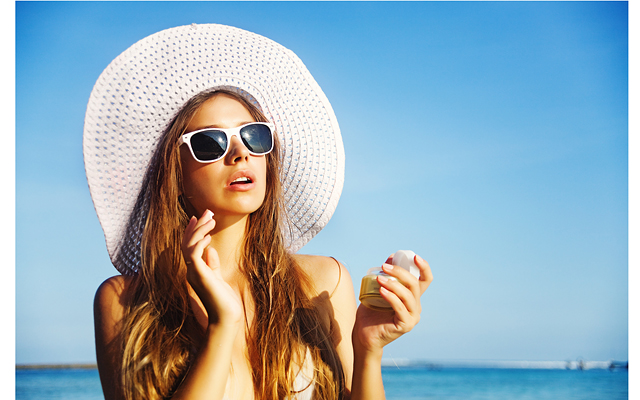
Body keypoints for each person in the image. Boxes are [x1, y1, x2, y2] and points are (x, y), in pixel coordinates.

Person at [86, 24, 433, 400]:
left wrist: (368, 350)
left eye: (254, 135)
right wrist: (223, 325)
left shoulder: (322, 282)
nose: (240, 154)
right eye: (210, 142)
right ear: (177, 175)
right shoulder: (125, 300)